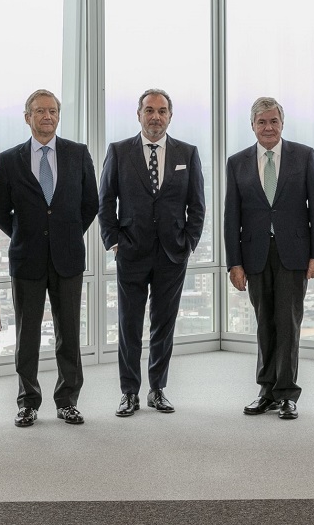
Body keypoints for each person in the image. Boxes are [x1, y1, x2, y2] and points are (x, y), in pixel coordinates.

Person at [0, 90, 98, 428]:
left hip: (68, 258)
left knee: (69, 333)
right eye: (39, 111)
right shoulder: (10, 159)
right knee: (28, 335)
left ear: (58, 115)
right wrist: (26, 234)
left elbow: (90, 204)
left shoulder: (78, 154)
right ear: (27, 117)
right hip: (28, 259)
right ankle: (28, 402)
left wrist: (66, 233)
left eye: (52, 111)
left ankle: (67, 401)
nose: (47, 116)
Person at [98, 89, 205, 417]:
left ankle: (157, 389)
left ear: (170, 116)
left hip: (172, 254)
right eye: (149, 110)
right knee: (128, 325)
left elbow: (197, 205)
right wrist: (113, 241)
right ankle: (129, 392)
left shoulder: (187, 152)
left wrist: (188, 243)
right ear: (139, 114)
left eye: (161, 111)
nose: (155, 116)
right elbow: (105, 201)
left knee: (163, 324)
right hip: (131, 251)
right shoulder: (119, 152)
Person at [224, 97, 314, 420]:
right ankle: (265, 391)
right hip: (255, 254)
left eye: (273, 121)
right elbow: (232, 217)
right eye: (261, 122)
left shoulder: (304, 156)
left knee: (288, 322)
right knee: (264, 324)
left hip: (294, 253)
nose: (268, 128)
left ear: (282, 124)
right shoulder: (237, 162)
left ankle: (287, 394)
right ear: (252, 126)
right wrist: (234, 263)